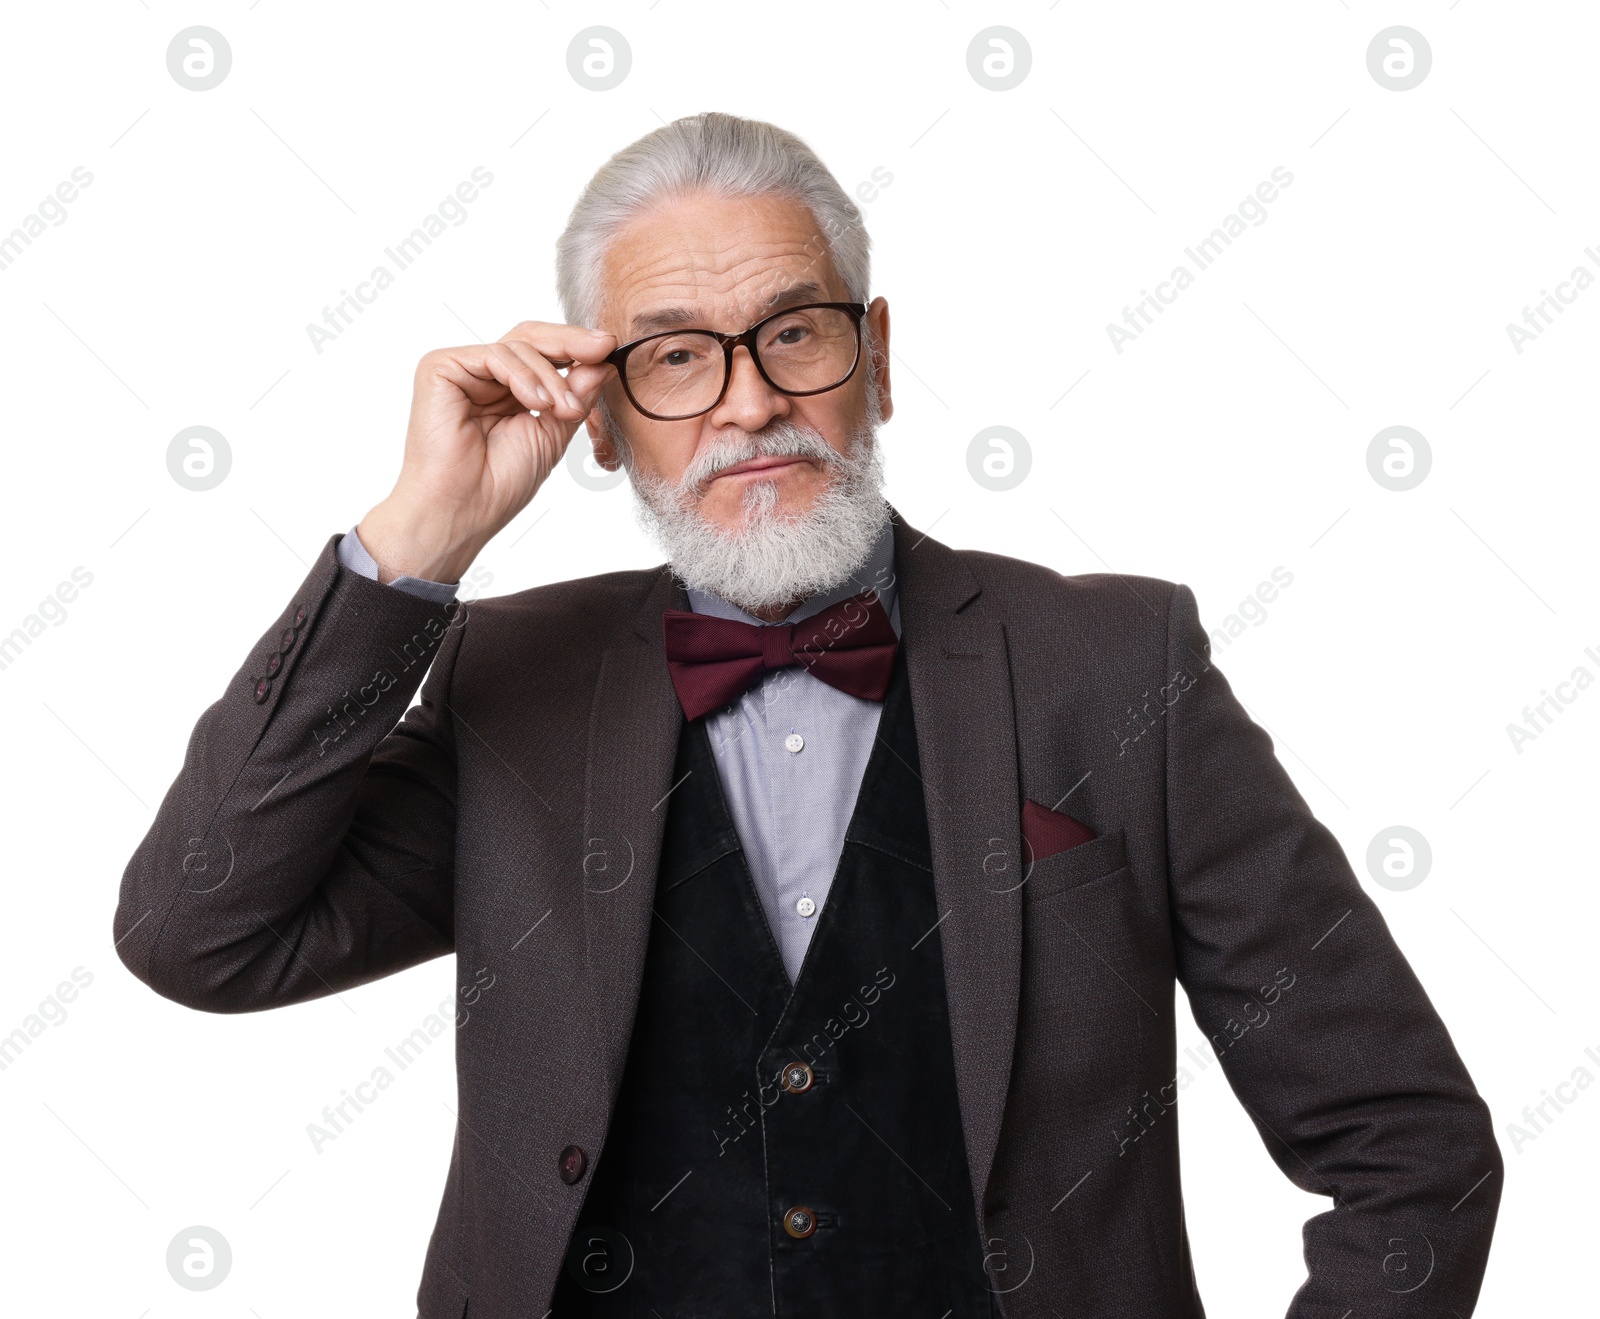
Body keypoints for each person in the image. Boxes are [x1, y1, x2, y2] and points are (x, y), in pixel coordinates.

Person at [115, 112, 1500, 1318]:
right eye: (672, 360)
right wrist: (413, 547)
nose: (751, 404)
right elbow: (201, 934)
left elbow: (1405, 1142)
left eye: (796, 334)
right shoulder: (511, 683)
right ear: (599, 419)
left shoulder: (1114, 665)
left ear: (878, 357)